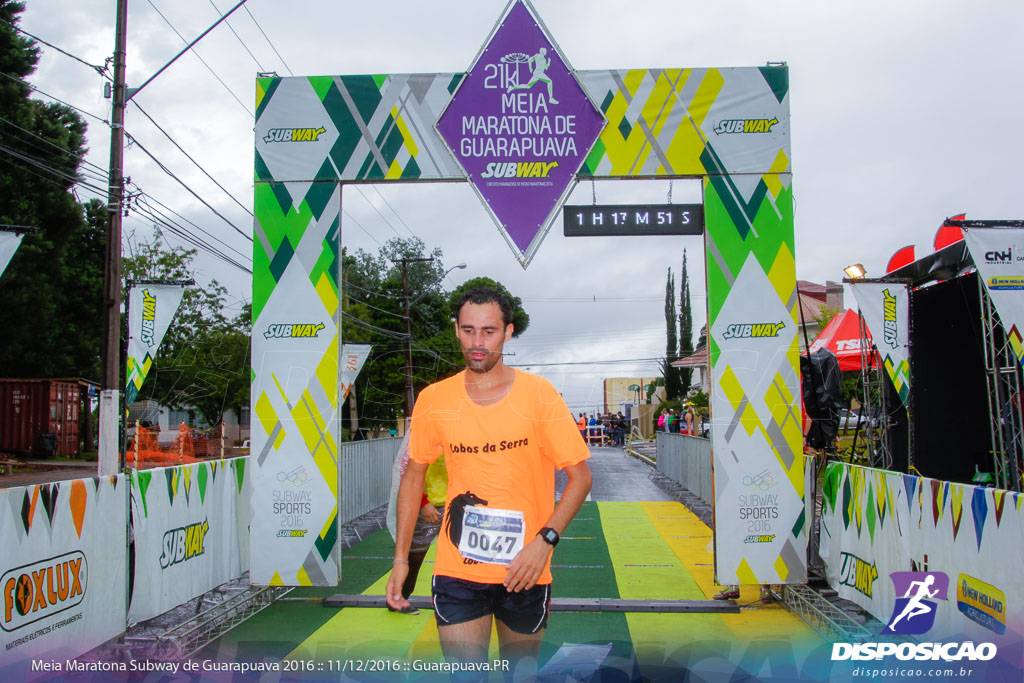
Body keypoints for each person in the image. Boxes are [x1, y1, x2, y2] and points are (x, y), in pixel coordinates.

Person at [386, 287, 592, 673]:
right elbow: (413, 477)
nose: (477, 342)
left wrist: (544, 542)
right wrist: (400, 560)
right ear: (456, 331)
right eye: (468, 330)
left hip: (525, 570)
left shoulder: (540, 396)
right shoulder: (434, 399)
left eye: (488, 331)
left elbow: (580, 477)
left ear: (508, 331)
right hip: (457, 571)